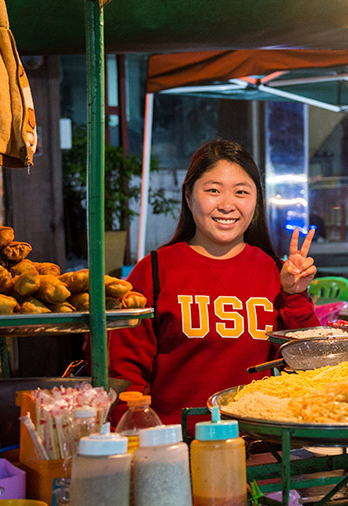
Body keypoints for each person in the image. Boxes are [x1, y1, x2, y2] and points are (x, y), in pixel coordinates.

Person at [109, 139, 320, 425]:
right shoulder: (154, 271)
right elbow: (124, 373)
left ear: (256, 200)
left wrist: (295, 295)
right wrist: (137, 437)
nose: (227, 204)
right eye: (213, 191)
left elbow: (310, 362)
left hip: (260, 443)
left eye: (241, 192)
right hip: (178, 446)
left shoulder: (276, 271)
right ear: (188, 195)